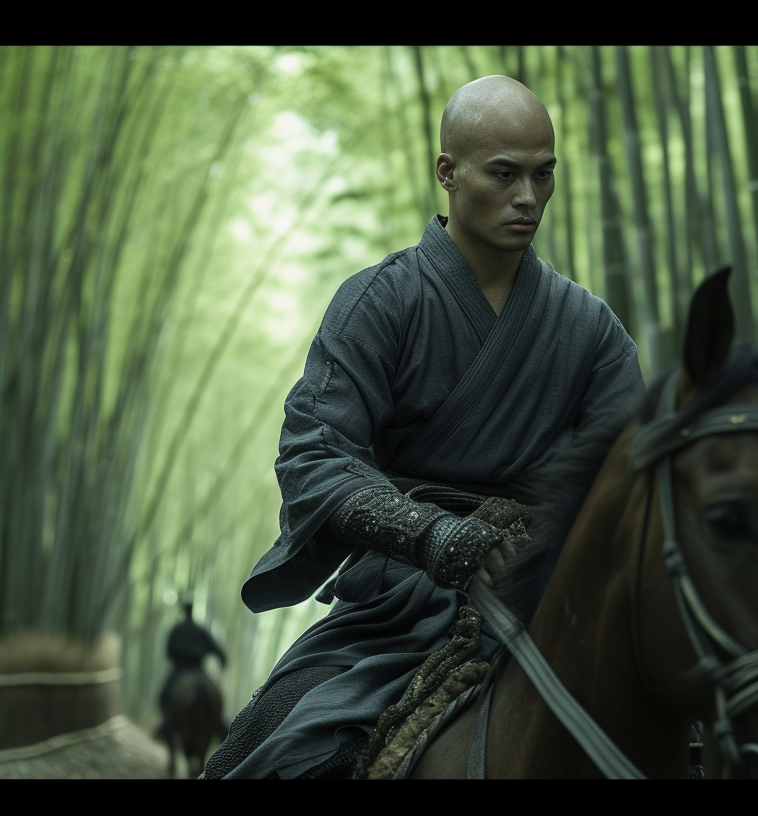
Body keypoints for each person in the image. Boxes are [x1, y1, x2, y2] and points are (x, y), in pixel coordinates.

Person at [203, 76, 644, 779]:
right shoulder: (381, 302)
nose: (528, 198)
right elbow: (314, 455)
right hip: (394, 608)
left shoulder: (592, 331)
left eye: (543, 175)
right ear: (448, 172)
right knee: (277, 748)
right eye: (505, 174)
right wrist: (433, 536)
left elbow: (632, 481)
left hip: (550, 599)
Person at [155, 598, 228, 742]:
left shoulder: (177, 629)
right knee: (215, 695)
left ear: (184, 610)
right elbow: (218, 650)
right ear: (192, 610)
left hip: (180, 669)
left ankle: (166, 725)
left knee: (165, 695)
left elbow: (169, 652)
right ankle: (221, 726)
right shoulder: (201, 630)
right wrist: (222, 661)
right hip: (198, 668)